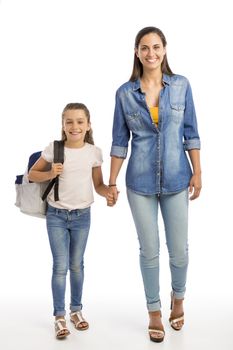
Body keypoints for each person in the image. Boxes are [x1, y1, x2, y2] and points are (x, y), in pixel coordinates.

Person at [108, 26, 201, 342]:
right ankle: (154, 312)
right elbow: (120, 142)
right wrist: (111, 182)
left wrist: (197, 171)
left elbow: (191, 133)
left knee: (180, 252)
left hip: (177, 179)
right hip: (139, 183)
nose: (151, 53)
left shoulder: (181, 86)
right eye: (144, 48)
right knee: (149, 251)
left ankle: (178, 298)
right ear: (137, 52)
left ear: (165, 49)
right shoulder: (124, 93)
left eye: (156, 47)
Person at [28, 102, 114, 339]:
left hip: (82, 216)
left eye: (79, 121)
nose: (74, 126)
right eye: (69, 122)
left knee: (77, 265)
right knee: (60, 267)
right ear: (63, 125)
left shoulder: (93, 152)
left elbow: (98, 185)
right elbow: (32, 175)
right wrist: (50, 173)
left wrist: (108, 192)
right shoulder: (54, 149)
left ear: (88, 126)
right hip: (56, 216)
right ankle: (59, 316)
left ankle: (76, 311)